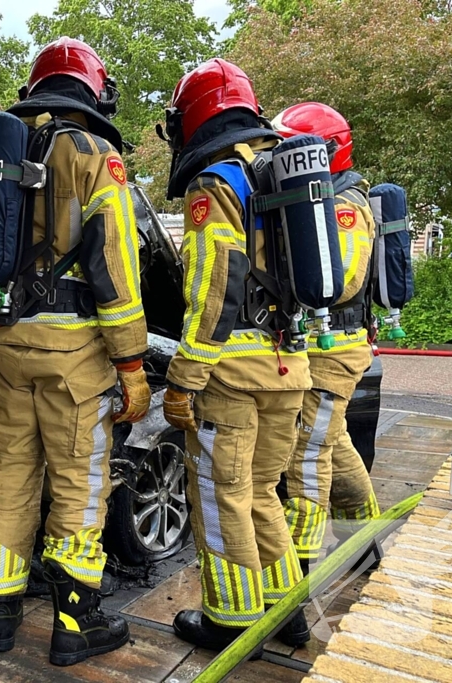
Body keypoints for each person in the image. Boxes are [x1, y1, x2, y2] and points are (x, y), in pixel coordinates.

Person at [0, 37, 151, 666]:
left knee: (10, 477)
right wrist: (131, 362)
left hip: (4, 347)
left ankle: (0, 615)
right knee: (78, 484)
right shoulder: (95, 155)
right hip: (73, 359)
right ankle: (75, 622)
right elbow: (115, 266)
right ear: (93, 93)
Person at [160, 58, 312, 651]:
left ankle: (230, 620)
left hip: (233, 377)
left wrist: (184, 378)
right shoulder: (282, 172)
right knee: (262, 492)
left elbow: (214, 286)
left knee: (223, 498)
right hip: (289, 366)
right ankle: (288, 613)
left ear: (193, 119)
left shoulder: (218, 183)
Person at [271, 102, 380, 574]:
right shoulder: (322, 199)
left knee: (308, 453)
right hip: (322, 347)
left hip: (333, 351)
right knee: (334, 444)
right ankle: (365, 540)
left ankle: (301, 561)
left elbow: (345, 281)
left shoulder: (344, 207)